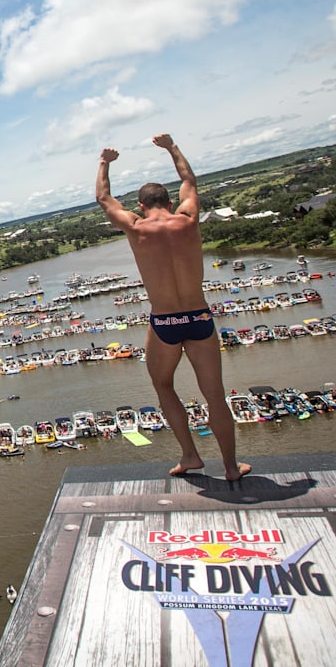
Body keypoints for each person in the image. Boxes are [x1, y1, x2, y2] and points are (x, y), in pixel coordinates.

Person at [96, 134, 250, 483]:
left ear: (139, 205)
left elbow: (103, 197)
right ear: (168, 200)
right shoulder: (188, 219)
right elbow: (189, 181)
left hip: (165, 320)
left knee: (164, 387)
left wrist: (105, 161)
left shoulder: (135, 227)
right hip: (199, 318)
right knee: (215, 396)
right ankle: (229, 467)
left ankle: (190, 455)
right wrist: (171, 147)